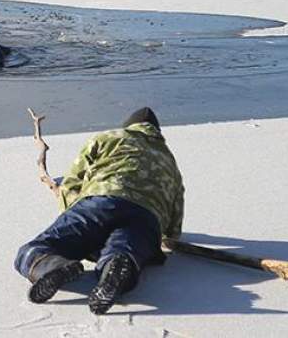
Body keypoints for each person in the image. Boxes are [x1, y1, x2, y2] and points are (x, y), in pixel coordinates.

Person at [14, 107, 184, 314]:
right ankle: (117, 266)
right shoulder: (170, 160)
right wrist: (162, 236)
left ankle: (51, 265)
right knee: (126, 249)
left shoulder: (109, 137)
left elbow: (72, 182)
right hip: (146, 217)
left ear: (129, 126)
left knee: (34, 250)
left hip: (101, 201)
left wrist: (69, 211)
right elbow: (174, 226)